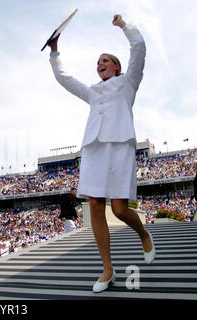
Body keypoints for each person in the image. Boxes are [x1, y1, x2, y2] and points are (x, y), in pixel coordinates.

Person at [47, 14, 155, 293]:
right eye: (97, 63)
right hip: (94, 149)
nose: (100, 65)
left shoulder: (129, 81)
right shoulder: (93, 91)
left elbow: (139, 48)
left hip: (119, 146)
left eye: (105, 61)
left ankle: (143, 234)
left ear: (116, 66)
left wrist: (124, 26)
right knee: (95, 204)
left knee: (119, 209)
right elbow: (64, 78)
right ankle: (108, 268)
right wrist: (55, 51)